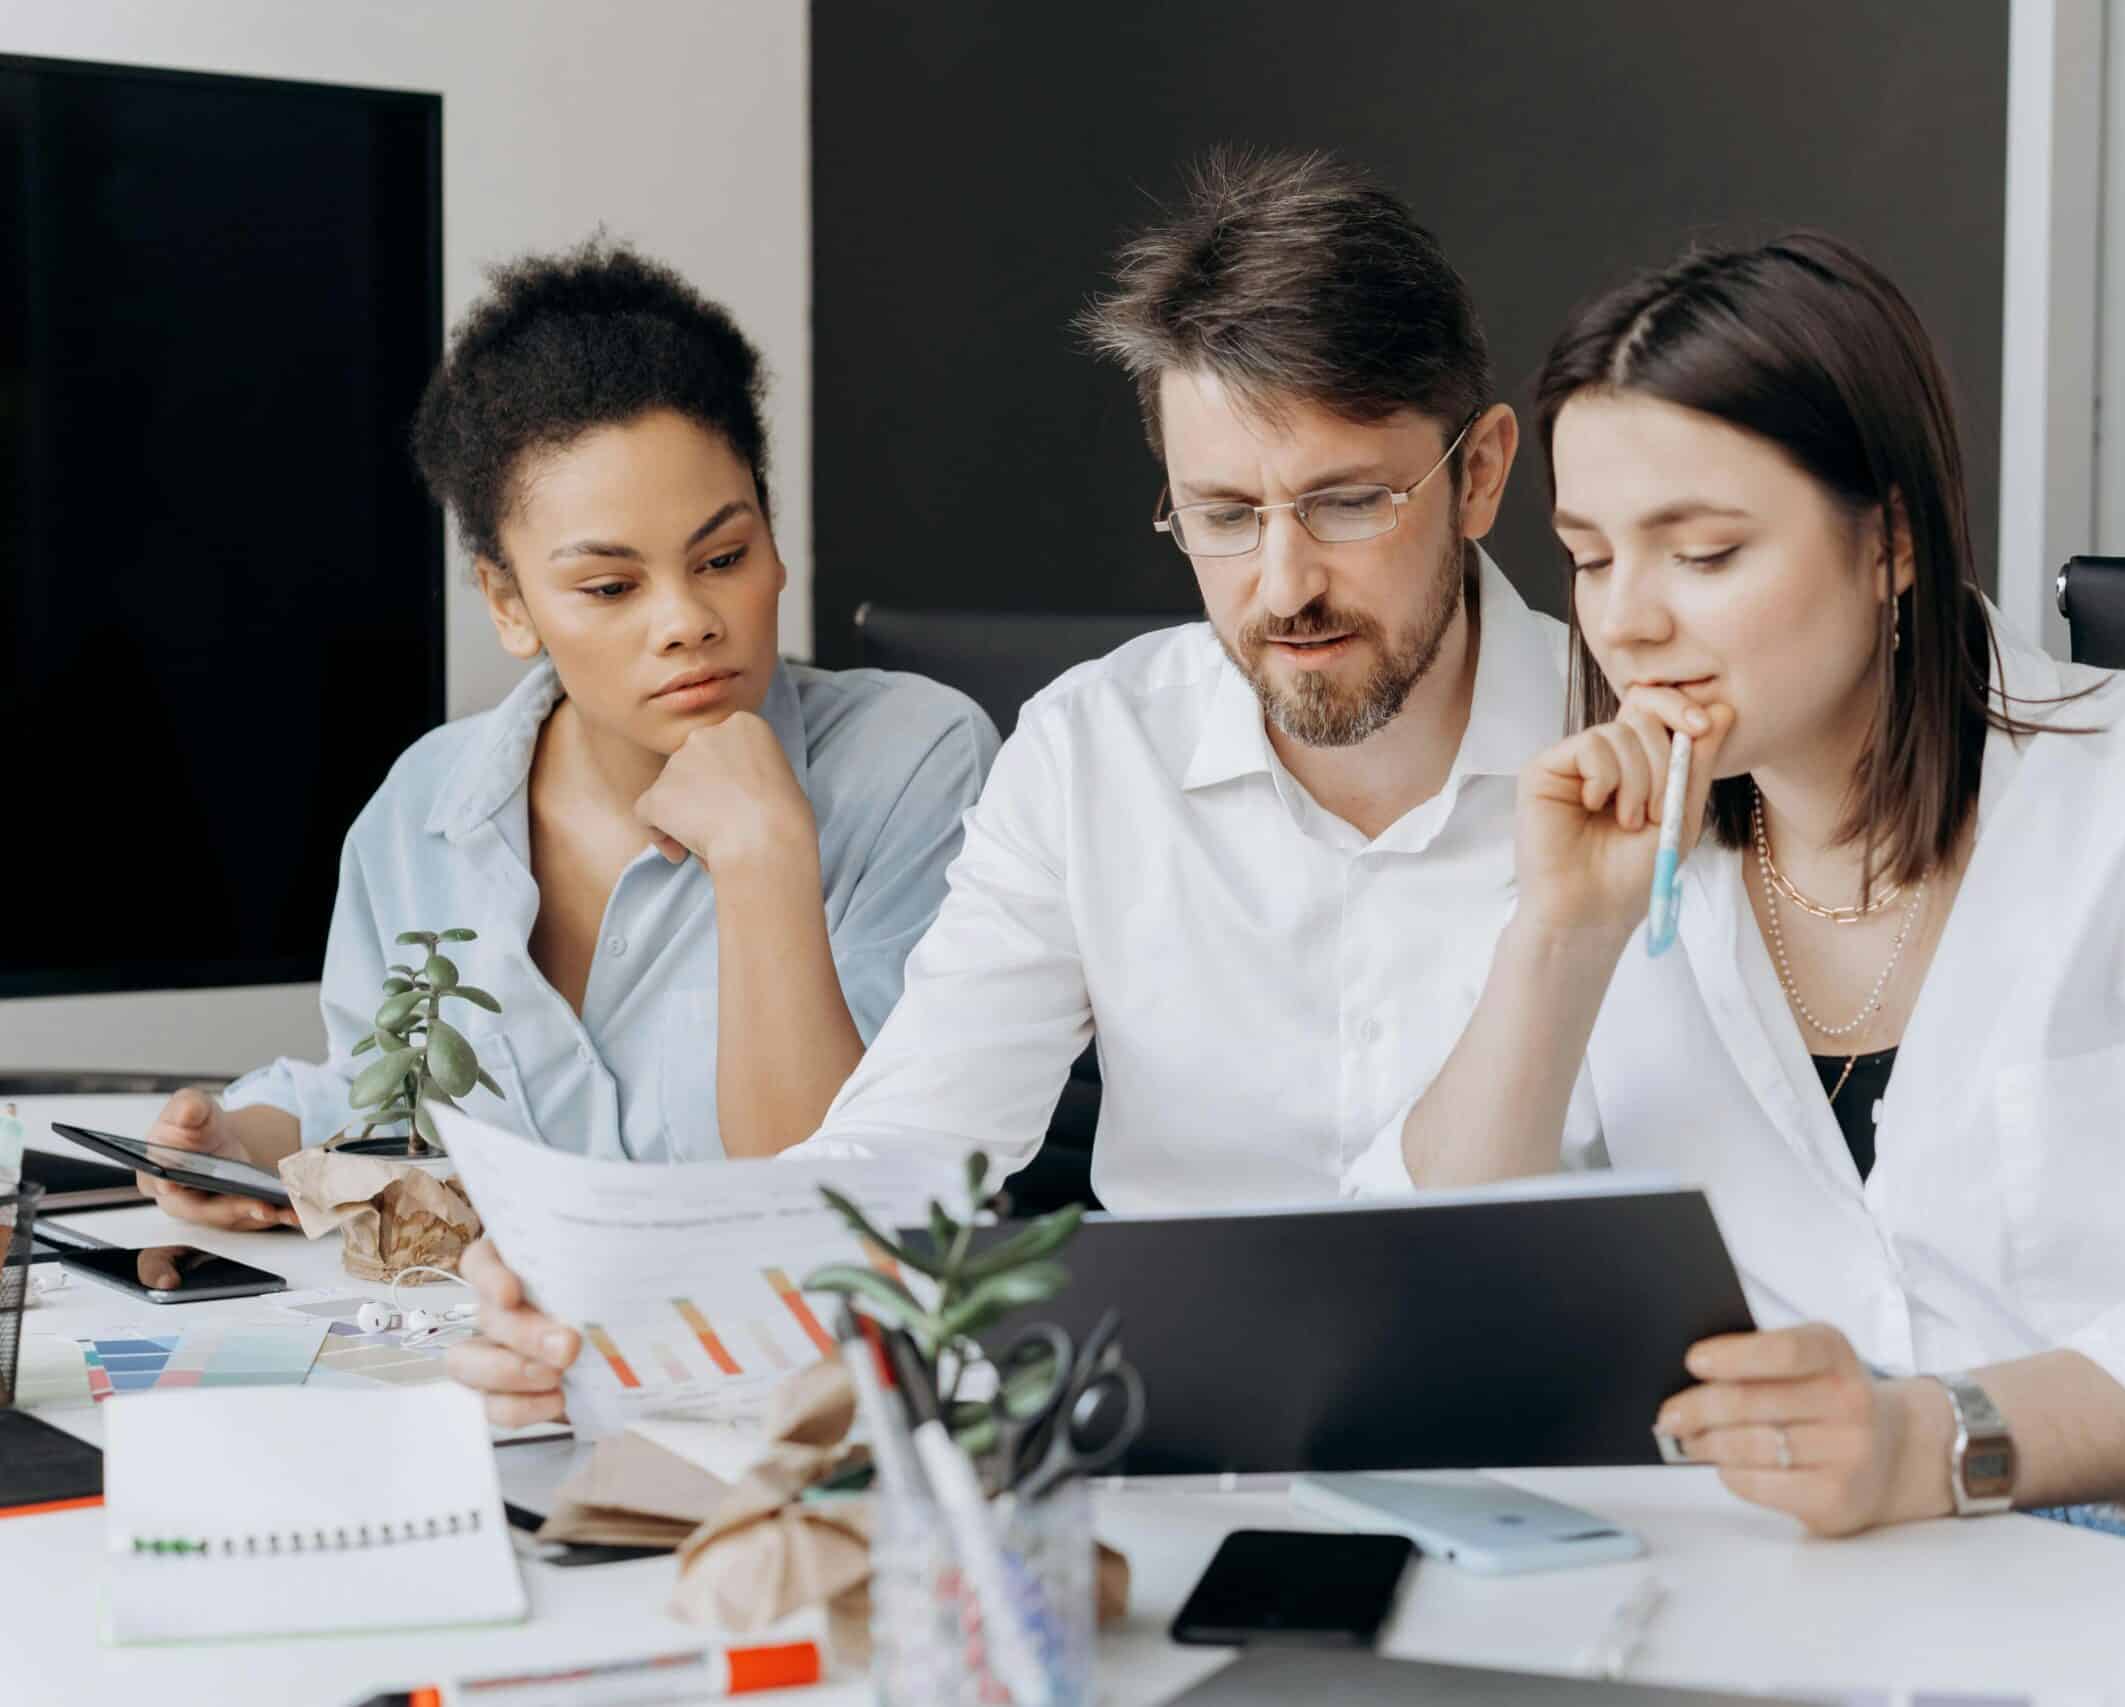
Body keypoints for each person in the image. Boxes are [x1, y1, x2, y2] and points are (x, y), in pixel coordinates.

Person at [1359, 234, 2125, 1624]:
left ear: (1894, 539)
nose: (1630, 621)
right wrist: (1557, 946)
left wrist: (1934, 1436)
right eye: (1591, 558)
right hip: (1897, 1555)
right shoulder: (1619, 850)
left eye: (1706, 550)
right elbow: (1420, 1294)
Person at [450, 150, 1567, 1425]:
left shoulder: (1656, 758)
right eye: (1220, 514)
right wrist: (614, 1304)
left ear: (1478, 474)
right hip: (1169, 1446)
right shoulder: (1093, 748)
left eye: (1346, 504)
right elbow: (903, 1152)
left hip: (1559, 1450)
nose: (1281, 585)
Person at [134, 239, 996, 1228]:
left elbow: (833, 1208)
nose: (685, 620)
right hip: (502, 1352)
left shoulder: (915, 758)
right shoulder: (428, 804)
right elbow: (383, 1089)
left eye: (723, 555)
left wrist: (763, 853)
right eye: (610, 587)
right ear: (509, 603)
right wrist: (241, 1147)